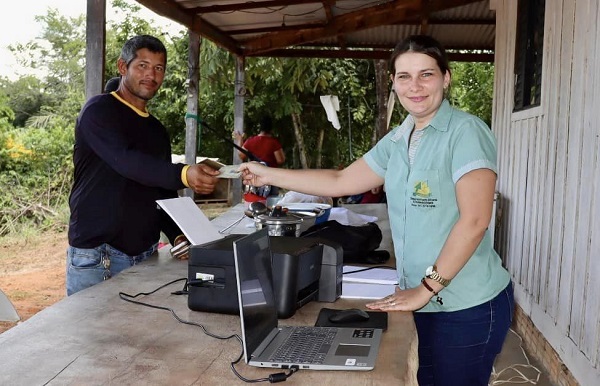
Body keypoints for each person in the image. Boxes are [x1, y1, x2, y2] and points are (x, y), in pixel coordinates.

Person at [239, 34, 513, 385]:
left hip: (466, 305)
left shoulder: (466, 132)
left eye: (426, 74)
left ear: (445, 78)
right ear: (394, 84)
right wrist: (268, 173)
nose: (415, 86)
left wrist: (426, 289)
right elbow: (339, 181)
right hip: (422, 300)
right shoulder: (400, 138)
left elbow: (475, 221)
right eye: (404, 76)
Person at [67, 35, 220, 296]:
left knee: (136, 334)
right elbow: (125, 161)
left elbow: (162, 191)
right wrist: (184, 172)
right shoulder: (99, 110)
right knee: (89, 336)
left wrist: (178, 234)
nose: (151, 74)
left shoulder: (157, 131)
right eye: (143, 65)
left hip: (144, 253)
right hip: (97, 254)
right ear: (123, 67)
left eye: (159, 68)